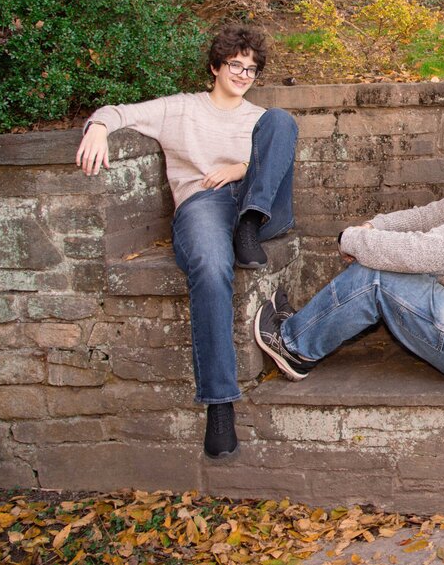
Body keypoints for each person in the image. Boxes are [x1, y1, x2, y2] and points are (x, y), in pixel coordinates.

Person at [76, 24, 297, 459]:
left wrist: (240, 169)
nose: (243, 74)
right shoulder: (180, 109)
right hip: (206, 206)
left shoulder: (260, 120)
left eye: (251, 69)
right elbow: (119, 111)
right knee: (212, 271)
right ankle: (219, 403)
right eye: (235, 64)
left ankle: (249, 226)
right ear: (215, 66)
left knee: (282, 120)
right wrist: (99, 128)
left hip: (262, 206)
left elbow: (273, 159)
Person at [254, 105, 444, 385]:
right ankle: (305, 329)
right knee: (382, 262)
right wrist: (375, 226)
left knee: (376, 278)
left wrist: (355, 241)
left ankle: (293, 347)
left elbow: (426, 252)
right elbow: (429, 215)